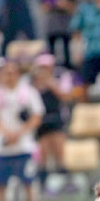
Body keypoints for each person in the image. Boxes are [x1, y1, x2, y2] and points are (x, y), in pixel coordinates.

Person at [0, 59, 44, 201]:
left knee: (29, 186)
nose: (9, 76)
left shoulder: (29, 92)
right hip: (3, 148)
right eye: (6, 73)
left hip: (24, 147)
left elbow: (37, 117)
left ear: (18, 74)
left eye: (12, 73)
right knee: (0, 187)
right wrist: (7, 134)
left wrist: (19, 133)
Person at [31, 53, 71, 188]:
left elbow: (64, 95)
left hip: (56, 118)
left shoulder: (60, 77)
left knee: (59, 149)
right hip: (41, 121)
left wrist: (49, 82)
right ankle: (43, 183)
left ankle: (64, 183)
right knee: (43, 151)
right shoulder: (32, 82)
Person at [34, 0, 77, 69]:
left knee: (67, 56)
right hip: (51, 27)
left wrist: (64, 4)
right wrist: (48, 5)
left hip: (65, 26)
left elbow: (75, 7)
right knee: (51, 56)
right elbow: (43, 7)